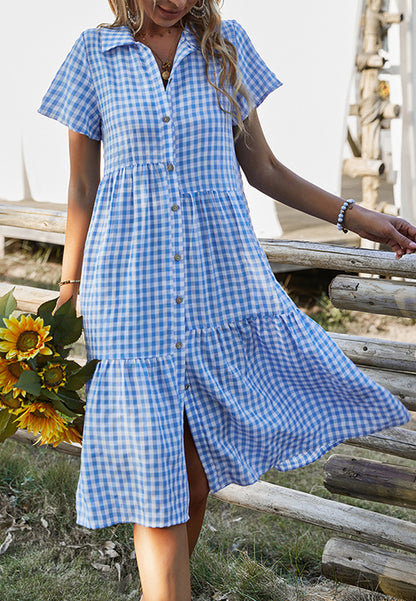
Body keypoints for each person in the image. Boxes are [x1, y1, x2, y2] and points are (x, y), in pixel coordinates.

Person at [38, 1, 416, 599]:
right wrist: (68, 287)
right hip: (130, 291)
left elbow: (263, 166)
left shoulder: (225, 47)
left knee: (190, 481)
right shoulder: (94, 53)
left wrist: (355, 214)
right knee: (156, 482)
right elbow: (82, 185)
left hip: (220, 284)